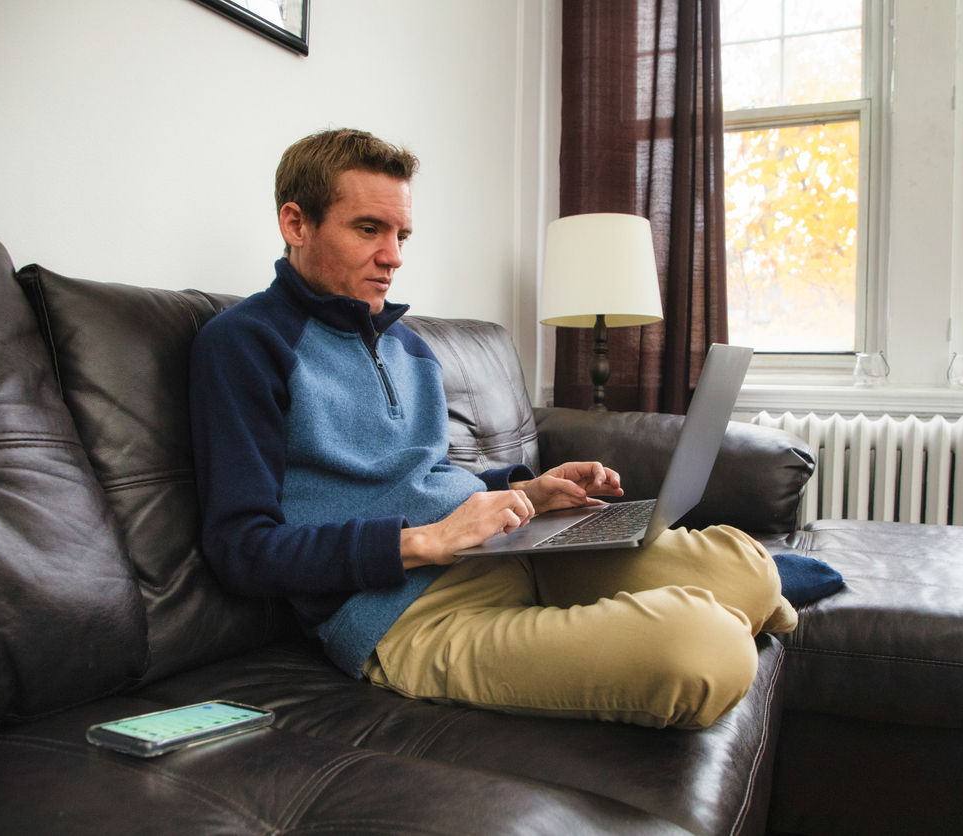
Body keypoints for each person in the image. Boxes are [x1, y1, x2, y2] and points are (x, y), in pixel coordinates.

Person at [190, 128, 797, 730]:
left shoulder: (408, 345)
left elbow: (427, 478)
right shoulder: (245, 345)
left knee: (746, 567)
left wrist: (527, 493)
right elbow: (241, 549)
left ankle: (637, 607)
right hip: (407, 613)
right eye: (369, 229)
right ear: (296, 224)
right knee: (705, 649)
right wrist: (422, 541)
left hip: (511, 552)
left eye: (401, 235)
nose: (394, 256)